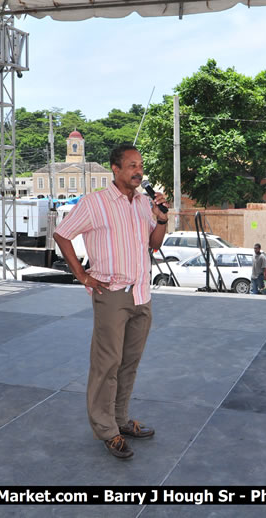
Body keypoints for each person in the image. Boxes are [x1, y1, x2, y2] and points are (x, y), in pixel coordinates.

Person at [53, 144, 169, 460]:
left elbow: (153, 245)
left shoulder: (145, 203)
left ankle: (120, 419)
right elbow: (62, 233)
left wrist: (160, 219)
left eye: (140, 165)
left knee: (129, 363)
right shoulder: (95, 203)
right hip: (111, 293)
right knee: (107, 364)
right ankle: (106, 430)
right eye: (131, 165)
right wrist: (82, 274)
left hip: (141, 293)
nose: (138, 170)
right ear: (115, 170)